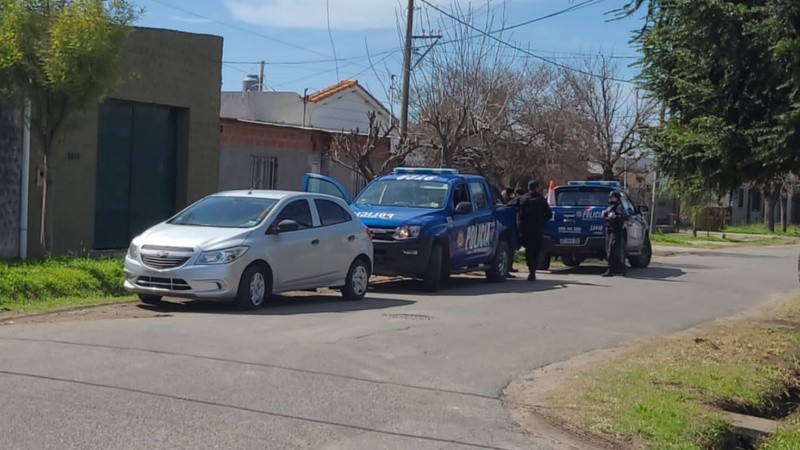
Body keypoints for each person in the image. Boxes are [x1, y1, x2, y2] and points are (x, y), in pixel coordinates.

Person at [515, 180, 552, 281]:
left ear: (528, 188)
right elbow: (549, 214)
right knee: (536, 250)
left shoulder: (523, 199)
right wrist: (542, 222)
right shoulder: (541, 199)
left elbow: (517, 211)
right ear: (537, 188)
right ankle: (533, 270)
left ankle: (531, 270)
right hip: (538, 229)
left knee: (529, 250)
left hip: (526, 229)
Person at [602, 190, 628, 277]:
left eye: (611, 197)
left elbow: (625, 216)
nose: (610, 199)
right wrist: (605, 214)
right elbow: (607, 216)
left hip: (616, 231)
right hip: (609, 230)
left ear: (616, 198)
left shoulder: (620, 207)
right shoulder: (610, 207)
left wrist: (615, 216)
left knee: (612, 250)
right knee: (609, 250)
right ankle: (617, 268)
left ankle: (612, 270)